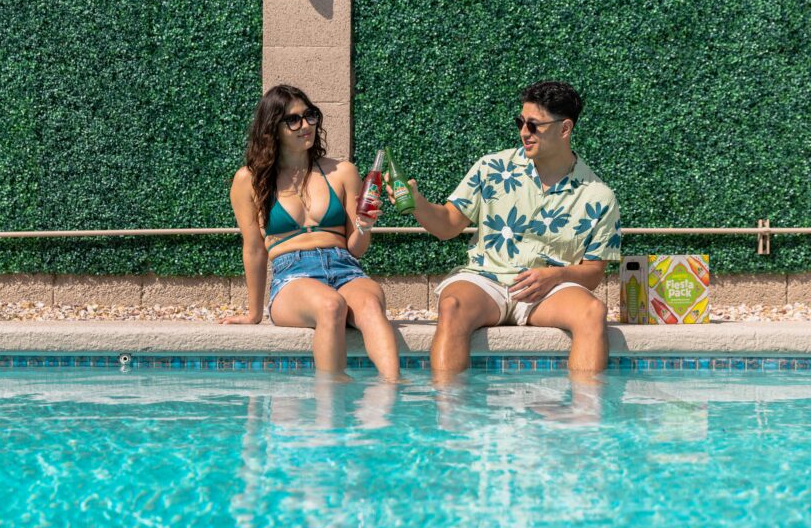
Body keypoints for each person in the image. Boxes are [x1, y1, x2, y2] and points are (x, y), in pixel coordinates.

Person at [388, 81, 620, 383]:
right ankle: (448, 415)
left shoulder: (598, 196)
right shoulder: (492, 167)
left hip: (549, 290)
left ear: (565, 129)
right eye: (520, 122)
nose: (524, 132)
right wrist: (418, 205)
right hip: (487, 280)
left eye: (534, 125)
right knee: (452, 305)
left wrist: (557, 275)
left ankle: (583, 420)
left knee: (592, 312)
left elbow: (594, 272)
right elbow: (447, 226)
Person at [222, 84, 401, 381]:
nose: (305, 125)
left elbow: (355, 248)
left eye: (310, 115)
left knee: (370, 304)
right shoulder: (249, 180)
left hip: (346, 267)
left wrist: (364, 227)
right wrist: (254, 313)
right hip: (293, 276)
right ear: (272, 128)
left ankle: (395, 391)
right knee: (331, 305)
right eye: (293, 120)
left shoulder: (342, 172)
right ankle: (332, 400)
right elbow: (254, 248)